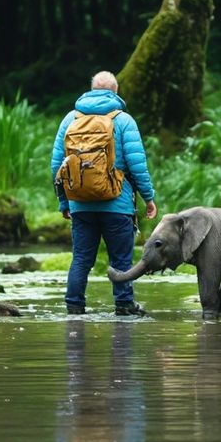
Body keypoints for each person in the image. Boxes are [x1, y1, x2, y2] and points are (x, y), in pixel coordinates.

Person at [51, 71, 157, 316]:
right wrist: (149, 198)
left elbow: (58, 164)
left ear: (91, 89)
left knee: (81, 259)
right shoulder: (124, 120)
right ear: (115, 91)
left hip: (80, 204)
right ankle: (124, 305)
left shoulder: (70, 119)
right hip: (117, 203)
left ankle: (74, 306)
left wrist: (64, 201)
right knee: (120, 259)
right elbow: (137, 165)